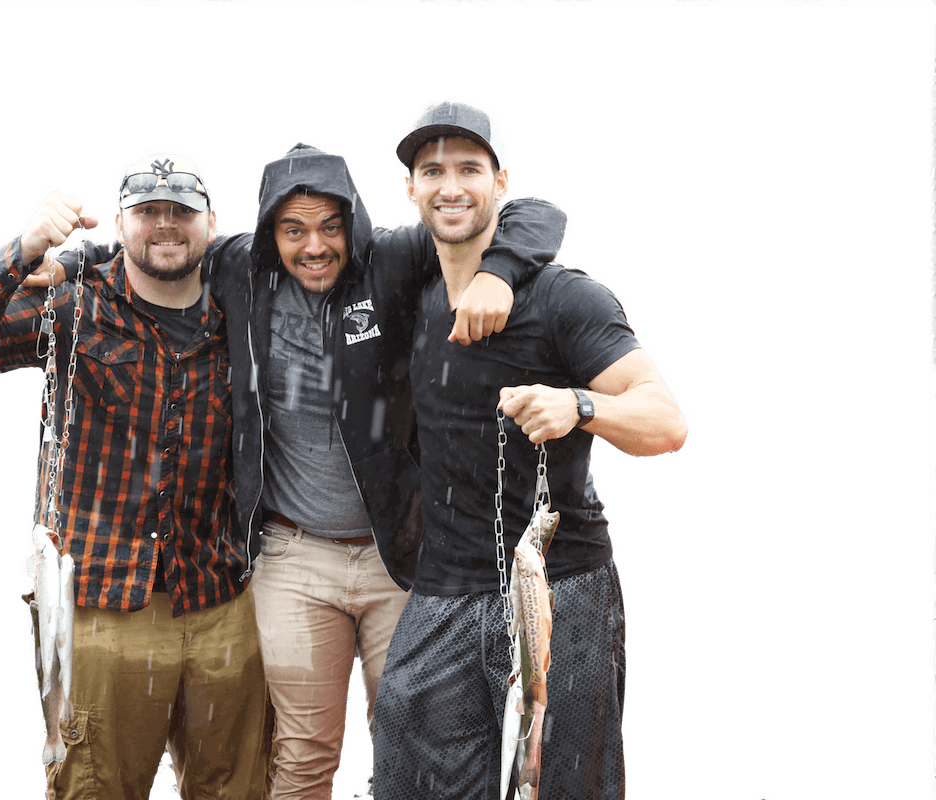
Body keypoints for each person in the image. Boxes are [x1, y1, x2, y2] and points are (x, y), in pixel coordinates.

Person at [48, 141, 566, 800]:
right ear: (269, 234)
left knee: (416, 742)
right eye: (293, 230)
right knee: (300, 753)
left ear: (356, 224)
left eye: (330, 227)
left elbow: (536, 213)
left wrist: (496, 274)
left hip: (398, 557)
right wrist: (66, 259)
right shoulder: (239, 267)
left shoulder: (394, 261)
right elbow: (148, 244)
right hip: (293, 558)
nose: (314, 246)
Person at [0, 151, 271, 800]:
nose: (165, 226)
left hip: (222, 598)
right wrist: (25, 246)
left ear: (210, 225)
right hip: (103, 605)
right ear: (119, 222)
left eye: (180, 213)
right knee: (93, 787)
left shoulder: (242, 321)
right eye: (147, 213)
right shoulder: (73, 309)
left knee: (243, 789)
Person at [371, 99, 690, 800]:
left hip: (562, 587)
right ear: (412, 190)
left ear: (501, 181)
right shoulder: (413, 294)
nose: (450, 186)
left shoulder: (566, 298)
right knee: (408, 770)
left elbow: (666, 421)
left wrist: (579, 404)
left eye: (469, 169)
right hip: (444, 589)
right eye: (432, 171)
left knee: (564, 784)